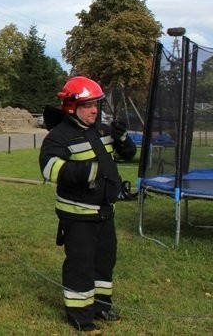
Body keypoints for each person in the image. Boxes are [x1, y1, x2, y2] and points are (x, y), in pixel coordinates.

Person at [38, 76, 135, 332]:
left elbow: (129, 155)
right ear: (72, 107)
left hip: (105, 213)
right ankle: (80, 315)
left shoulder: (101, 130)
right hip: (78, 215)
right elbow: (49, 168)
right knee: (80, 264)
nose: (94, 110)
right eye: (88, 105)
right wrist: (86, 172)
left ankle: (101, 305)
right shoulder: (59, 137)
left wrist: (123, 138)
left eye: (96, 105)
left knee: (104, 261)